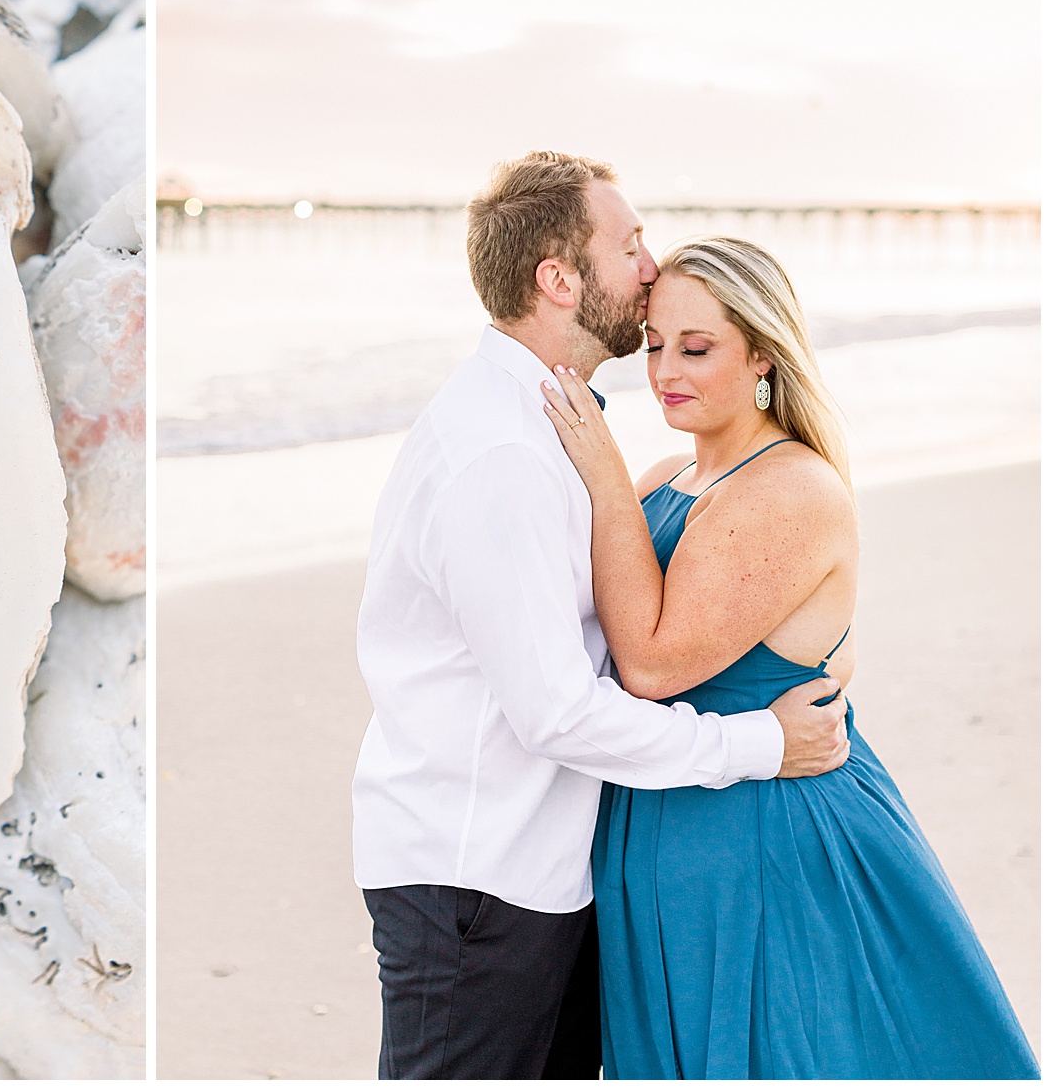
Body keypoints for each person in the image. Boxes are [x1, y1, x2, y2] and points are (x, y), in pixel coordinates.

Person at [350, 152, 850, 1080]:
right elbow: (559, 712)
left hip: (548, 867)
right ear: (560, 279)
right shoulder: (501, 451)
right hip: (476, 876)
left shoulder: (550, 424)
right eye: (629, 246)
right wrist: (758, 745)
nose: (652, 267)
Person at [539, 234, 1037, 1078]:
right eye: (656, 344)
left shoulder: (790, 490)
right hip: (669, 822)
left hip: (764, 840)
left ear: (763, 356)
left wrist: (601, 474)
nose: (665, 371)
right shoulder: (669, 477)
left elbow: (652, 667)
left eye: (698, 349)